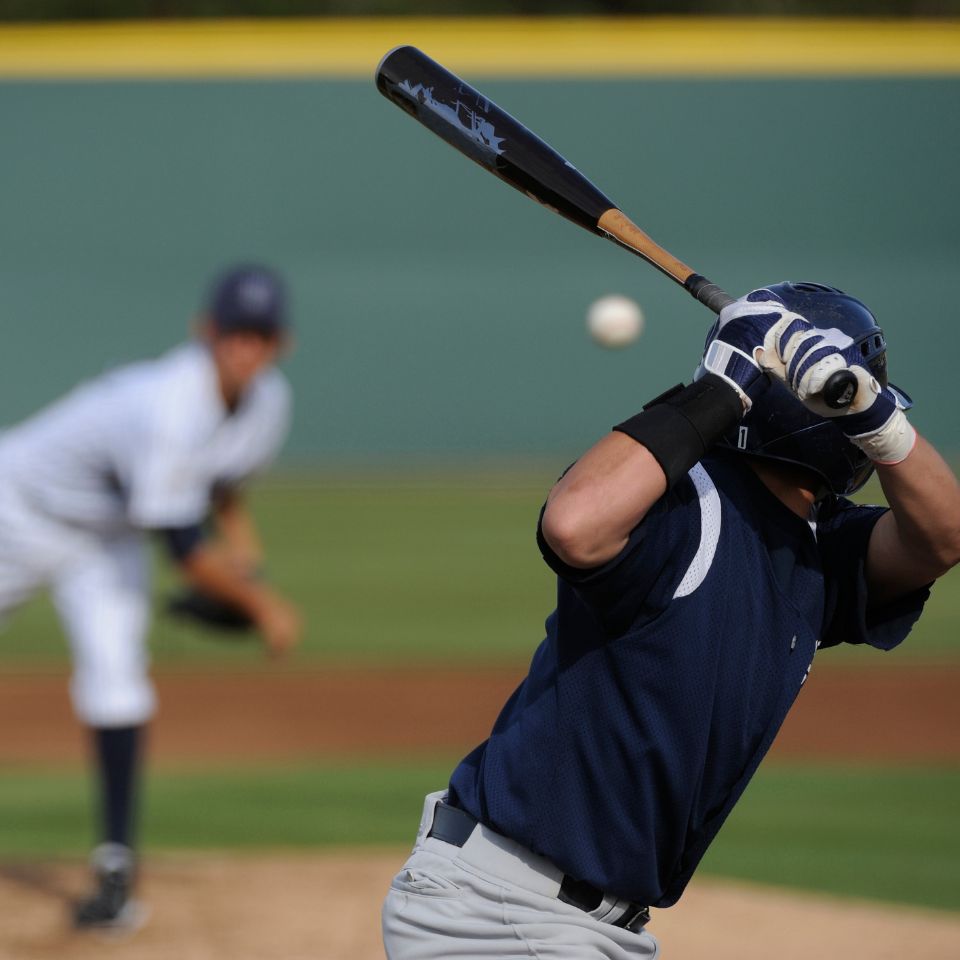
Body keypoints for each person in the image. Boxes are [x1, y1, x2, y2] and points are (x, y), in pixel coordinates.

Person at [381, 281, 960, 959]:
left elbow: (941, 539)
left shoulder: (816, 549)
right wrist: (725, 386)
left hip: (585, 929)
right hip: (500, 912)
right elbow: (572, 525)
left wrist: (873, 411)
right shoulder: (688, 499)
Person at [0, 264, 301, 931]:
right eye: (234, 332)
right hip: (17, 507)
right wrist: (263, 606)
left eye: (259, 334)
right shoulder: (169, 403)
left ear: (280, 343)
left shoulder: (268, 402)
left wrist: (246, 558)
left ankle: (115, 876)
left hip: (105, 539)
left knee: (118, 684)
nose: (244, 347)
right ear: (205, 331)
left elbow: (220, 485)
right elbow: (187, 553)